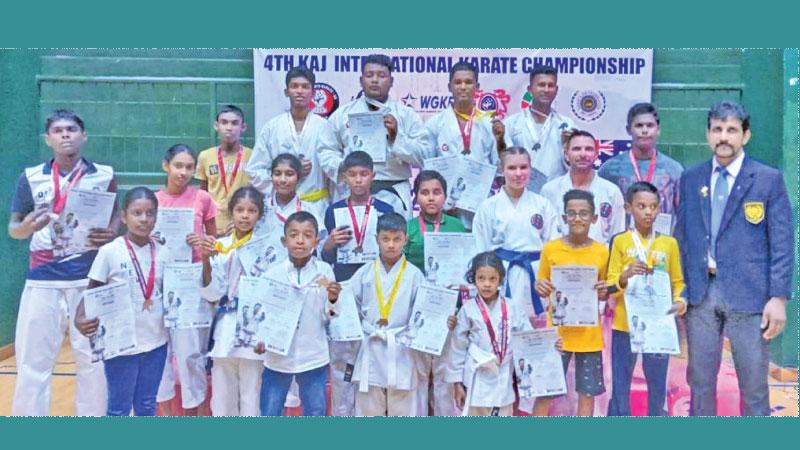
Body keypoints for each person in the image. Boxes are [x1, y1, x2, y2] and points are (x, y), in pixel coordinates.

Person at [674, 101, 794, 416]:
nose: (723, 137)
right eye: (717, 129)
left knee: (754, 384)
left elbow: (782, 242)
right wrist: (679, 288)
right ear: (707, 134)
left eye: (731, 130)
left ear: (746, 135)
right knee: (700, 382)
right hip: (702, 292)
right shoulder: (691, 178)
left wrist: (778, 297)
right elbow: (681, 237)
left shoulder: (767, 179)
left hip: (751, 295)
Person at [9, 109, 117, 416]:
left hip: (88, 278)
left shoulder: (105, 175)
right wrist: (27, 227)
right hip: (42, 279)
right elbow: (14, 228)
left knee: (93, 360)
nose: (65, 134)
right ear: (48, 139)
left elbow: (117, 217)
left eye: (71, 129)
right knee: (33, 362)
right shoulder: (30, 177)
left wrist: (111, 232)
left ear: (84, 136)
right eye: (58, 130)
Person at [74, 187, 169, 416]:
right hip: (121, 345)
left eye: (150, 213)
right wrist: (79, 319)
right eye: (137, 213)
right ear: (124, 217)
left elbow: (169, 294)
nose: (144, 219)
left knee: (147, 404)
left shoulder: (164, 252)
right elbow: (92, 290)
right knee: (119, 407)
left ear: (156, 216)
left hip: (156, 342)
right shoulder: (109, 251)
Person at [321, 151, 395, 416]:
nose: (359, 180)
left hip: (376, 289)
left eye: (364, 174)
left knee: (372, 356)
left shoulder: (386, 210)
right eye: (353, 175)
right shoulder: (334, 211)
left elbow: (393, 251)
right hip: (342, 287)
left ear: (373, 176)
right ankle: (342, 416)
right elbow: (326, 257)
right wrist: (329, 244)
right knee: (342, 357)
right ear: (344, 178)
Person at [605, 181, 687, 416]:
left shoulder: (669, 243)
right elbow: (611, 284)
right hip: (625, 324)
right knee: (621, 383)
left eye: (653, 206)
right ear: (628, 208)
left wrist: (681, 302)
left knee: (657, 382)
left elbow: (678, 282)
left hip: (659, 325)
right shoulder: (620, 241)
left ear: (660, 209)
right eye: (641, 206)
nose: (648, 211)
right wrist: (625, 276)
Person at [317, 54, 429, 218]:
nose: (375, 80)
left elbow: (424, 156)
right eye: (369, 75)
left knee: (394, 242)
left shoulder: (406, 115)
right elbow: (325, 150)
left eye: (381, 75)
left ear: (391, 81)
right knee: (351, 242)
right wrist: (345, 167)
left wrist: (396, 138)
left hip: (394, 190)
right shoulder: (342, 115)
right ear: (361, 80)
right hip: (352, 192)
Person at [254, 211, 342, 416]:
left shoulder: (324, 272)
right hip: (277, 356)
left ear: (316, 240)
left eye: (307, 235)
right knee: (270, 411)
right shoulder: (272, 275)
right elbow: (261, 314)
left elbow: (330, 315)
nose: (300, 241)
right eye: (294, 235)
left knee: (315, 412)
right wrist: (259, 339)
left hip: (313, 355)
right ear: (284, 241)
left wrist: (333, 299)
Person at [154, 144, 218, 416]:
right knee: (159, 348)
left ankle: (197, 412)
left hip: (191, 279)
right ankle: (166, 412)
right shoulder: (152, 200)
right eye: (178, 166)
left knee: (191, 352)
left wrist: (203, 241)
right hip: (158, 279)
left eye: (189, 167)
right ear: (165, 165)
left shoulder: (202, 198)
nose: (183, 172)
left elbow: (215, 242)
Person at [534, 189, 609, 416]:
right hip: (557, 333)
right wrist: (541, 287)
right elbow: (541, 282)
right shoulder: (551, 249)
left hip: (589, 335)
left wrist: (604, 292)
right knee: (545, 389)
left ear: (594, 218)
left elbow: (604, 288)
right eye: (572, 213)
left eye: (584, 213)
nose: (578, 218)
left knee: (587, 392)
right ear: (564, 217)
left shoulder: (601, 252)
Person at [403, 169, 466, 416]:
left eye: (437, 192)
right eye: (425, 192)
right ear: (415, 196)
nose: (431, 198)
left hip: (449, 310)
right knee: (417, 375)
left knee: (444, 375)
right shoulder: (407, 229)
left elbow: (466, 268)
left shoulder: (457, 226)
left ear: (445, 196)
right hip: (417, 310)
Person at [199, 186, 266, 416]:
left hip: (255, 327)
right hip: (225, 326)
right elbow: (212, 293)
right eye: (240, 209)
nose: (245, 215)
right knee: (222, 397)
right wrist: (206, 261)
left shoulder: (268, 249)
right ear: (231, 212)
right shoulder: (221, 246)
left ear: (260, 214)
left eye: (252, 210)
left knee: (252, 395)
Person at [472, 147, 559, 321]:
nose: (518, 173)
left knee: (537, 326)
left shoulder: (543, 204)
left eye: (523, 167)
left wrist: (550, 279)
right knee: (503, 323)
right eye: (512, 168)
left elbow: (554, 247)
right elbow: (481, 249)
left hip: (537, 273)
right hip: (503, 272)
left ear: (530, 169)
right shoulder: (488, 207)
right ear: (501, 170)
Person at [350, 213, 424, 416]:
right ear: (376, 239)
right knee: (368, 410)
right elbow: (349, 308)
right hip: (371, 345)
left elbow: (421, 315)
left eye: (397, 239)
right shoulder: (364, 273)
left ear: (405, 240)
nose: (391, 245)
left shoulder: (415, 275)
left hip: (400, 347)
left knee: (403, 409)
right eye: (385, 239)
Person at [446, 252, 535, 416]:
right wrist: (457, 383)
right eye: (481, 278)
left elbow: (528, 338)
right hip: (475, 379)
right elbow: (458, 348)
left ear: (500, 279)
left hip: (502, 375)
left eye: (492, 279)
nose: (486, 284)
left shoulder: (513, 307)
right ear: (474, 279)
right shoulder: (467, 310)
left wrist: (550, 345)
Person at [424, 61, 503, 227]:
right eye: (458, 82)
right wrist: (440, 202)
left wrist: (500, 140)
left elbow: (500, 167)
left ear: (477, 86)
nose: (463, 87)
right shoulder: (435, 124)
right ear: (449, 86)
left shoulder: (491, 123)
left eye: (468, 82)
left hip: (480, 204)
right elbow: (429, 169)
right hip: (445, 206)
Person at [247, 66, 331, 210]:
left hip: (316, 205)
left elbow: (335, 171)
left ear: (313, 92)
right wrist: (285, 176)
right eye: (294, 86)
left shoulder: (325, 127)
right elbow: (255, 171)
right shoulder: (272, 127)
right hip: (280, 205)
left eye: (305, 87)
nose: (299, 91)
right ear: (286, 92)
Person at [599, 102, 683, 232]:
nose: (644, 130)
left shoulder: (674, 169)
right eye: (639, 125)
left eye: (650, 125)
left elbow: (683, 214)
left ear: (658, 129)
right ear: (628, 129)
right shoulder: (610, 169)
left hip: (662, 244)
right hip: (624, 244)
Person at [496, 65, 576, 193]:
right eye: (541, 85)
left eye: (550, 85)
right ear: (530, 89)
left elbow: (575, 167)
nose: (546, 89)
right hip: (519, 193)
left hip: (555, 193)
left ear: (556, 90)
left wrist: (567, 146)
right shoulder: (511, 124)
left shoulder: (567, 124)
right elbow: (502, 164)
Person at [540, 130, 625, 244]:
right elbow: (544, 235)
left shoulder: (611, 191)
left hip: (599, 259)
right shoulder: (549, 190)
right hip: (559, 259)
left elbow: (617, 238)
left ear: (596, 155)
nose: (583, 154)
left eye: (588, 149)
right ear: (566, 154)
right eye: (577, 149)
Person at [196, 105, 252, 236]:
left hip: (243, 224)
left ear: (243, 127)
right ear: (216, 126)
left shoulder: (252, 156)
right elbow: (202, 194)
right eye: (224, 122)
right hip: (213, 225)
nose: (229, 128)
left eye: (234, 123)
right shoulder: (205, 156)